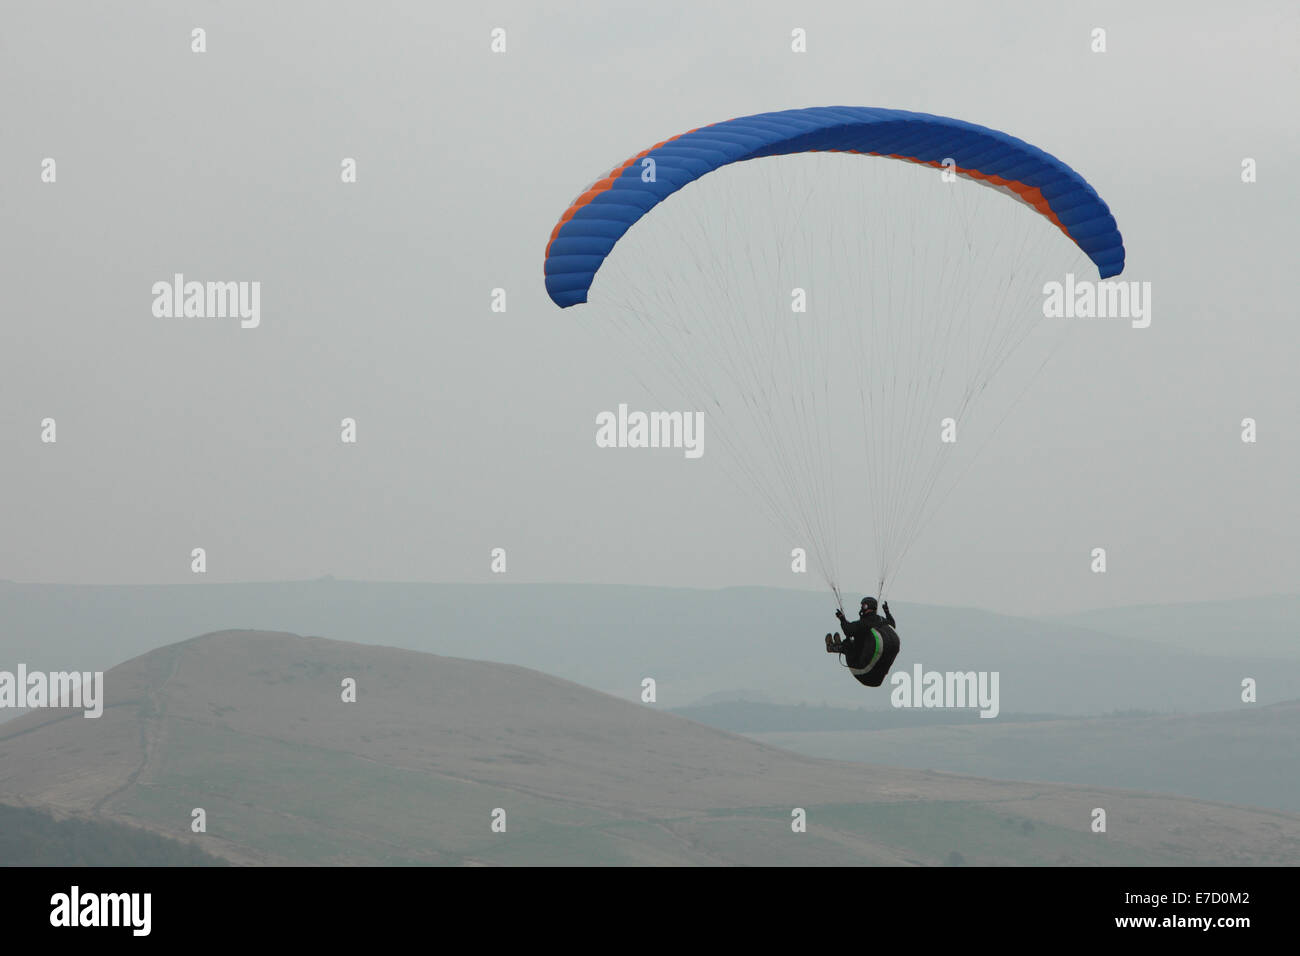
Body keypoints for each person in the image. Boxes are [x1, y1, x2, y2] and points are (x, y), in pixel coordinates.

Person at [825, 597, 901, 687]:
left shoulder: (864, 623)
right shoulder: (882, 620)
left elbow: (848, 630)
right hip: (877, 678)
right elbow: (892, 624)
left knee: (851, 642)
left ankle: (835, 647)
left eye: (863, 606)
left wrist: (842, 619)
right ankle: (842, 646)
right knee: (861, 638)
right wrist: (887, 612)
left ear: (867, 607)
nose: (861, 608)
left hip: (863, 673)